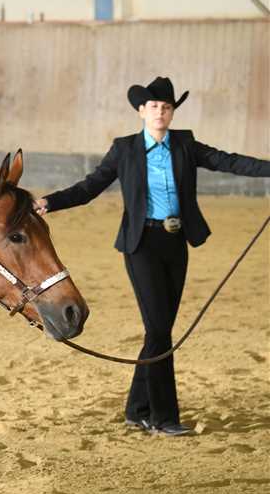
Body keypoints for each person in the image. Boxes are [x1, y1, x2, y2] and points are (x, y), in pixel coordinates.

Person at [35, 77, 270, 437]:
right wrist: (50, 202)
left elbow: (231, 162)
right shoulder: (125, 149)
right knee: (160, 331)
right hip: (141, 245)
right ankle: (163, 417)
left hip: (176, 244)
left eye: (167, 107)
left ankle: (137, 409)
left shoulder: (185, 145)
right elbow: (89, 187)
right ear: (141, 111)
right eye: (155, 107)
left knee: (158, 332)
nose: (161, 112)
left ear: (172, 112)